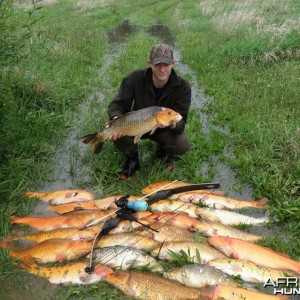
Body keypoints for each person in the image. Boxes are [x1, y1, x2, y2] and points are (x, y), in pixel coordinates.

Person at [107, 43, 191, 180]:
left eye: (166, 64)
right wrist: (115, 118)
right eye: (158, 64)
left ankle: (163, 154)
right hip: (137, 124)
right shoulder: (134, 78)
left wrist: (172, 124)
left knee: (182, 144)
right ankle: (132, 158)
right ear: (150, 64)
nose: (162, 69)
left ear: (173, 64)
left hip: (163, 128)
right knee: (118, 130)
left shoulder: (183, 87)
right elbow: (118, 104)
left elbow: (182, 122)